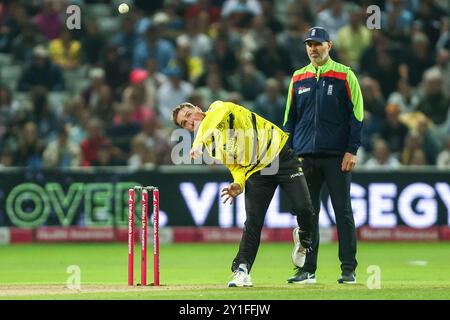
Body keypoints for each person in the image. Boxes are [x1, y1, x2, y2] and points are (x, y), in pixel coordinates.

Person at [171, 100, 315, 287]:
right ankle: (241, 270)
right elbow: (235, 165)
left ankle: (303, 239)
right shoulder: (212, 146)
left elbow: (214, 118)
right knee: (253, 222)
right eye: (184, 123)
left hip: (281, 156)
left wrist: (198, 143)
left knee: (305, 208)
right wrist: (238, 184)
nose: (189, 122)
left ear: (198, 109)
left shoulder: (218, 108)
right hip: (256, 172)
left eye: (189, 115)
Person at [283, 27, 364, 284]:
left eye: (318, 44)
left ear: (329, 45)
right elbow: (289, 120)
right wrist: (288, 153)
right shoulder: (297, 78)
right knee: (308, 214)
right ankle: (308, 270)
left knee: (343, 211)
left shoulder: (345, 74)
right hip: (305, 156)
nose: (313, 49)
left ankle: (348, 269)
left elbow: (357, 115)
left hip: (337, 156)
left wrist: (352, 149)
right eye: (309, 44)